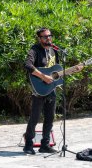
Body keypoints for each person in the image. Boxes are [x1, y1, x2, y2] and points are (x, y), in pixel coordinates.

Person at [23, 27, 83, 155]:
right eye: (45, 37)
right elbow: (28, 65)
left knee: (50, 118)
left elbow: (56, 72)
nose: (48, 38)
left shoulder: (54, 51)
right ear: (39, 38)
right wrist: (43, 76)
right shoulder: (35, 50)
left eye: (49, 36)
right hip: (38, 88)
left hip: (51, 89)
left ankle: (45, 145)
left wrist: (73, 70)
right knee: (34, 118)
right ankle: (28, 144)